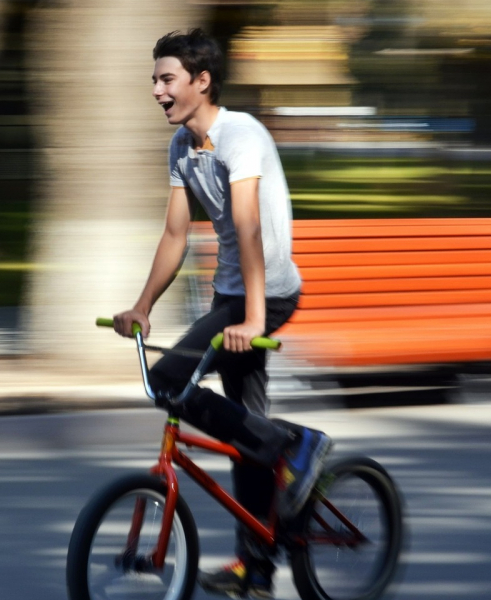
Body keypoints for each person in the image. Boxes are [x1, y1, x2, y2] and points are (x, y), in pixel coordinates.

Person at [110, 29, 331, 600]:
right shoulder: (181, 148)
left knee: (168, 379)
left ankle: (294, 444)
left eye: (167, 79)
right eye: (154, 80)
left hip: (268, 294)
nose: (157, 91)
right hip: (232, 297)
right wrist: (142, 306)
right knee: (245, 433)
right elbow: (175, 235)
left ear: (201, 81)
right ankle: (256, 572)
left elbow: (250, 227)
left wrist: (253, 320)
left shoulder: (241, 136)